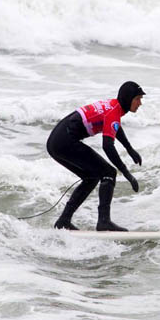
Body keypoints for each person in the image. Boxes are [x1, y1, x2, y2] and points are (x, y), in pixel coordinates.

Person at [46, 81, 145, 231]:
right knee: (108, 173)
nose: (140, 103)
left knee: (91, 177)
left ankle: (63, 221)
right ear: (127, 99)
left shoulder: (113, 107)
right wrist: (126, 173)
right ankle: (103, 221)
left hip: (57, 141)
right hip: (64, 141)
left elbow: (115, 126)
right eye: (137, 99)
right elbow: (107, 146)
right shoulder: (113, 111)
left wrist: (129, 149)